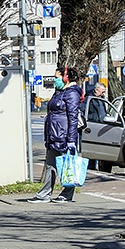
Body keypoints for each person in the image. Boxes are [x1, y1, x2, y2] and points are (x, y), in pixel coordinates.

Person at [31, 67, 83, 203]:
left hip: (64, 135)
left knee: (67, 166)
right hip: (55, 134)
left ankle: (67, 194)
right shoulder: (60, 92)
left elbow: (73, 118)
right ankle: (45, 194)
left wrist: (71, 140)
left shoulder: (72, 94)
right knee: (51, 164)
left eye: (57, 77)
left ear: (66, 78)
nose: (54, 80)